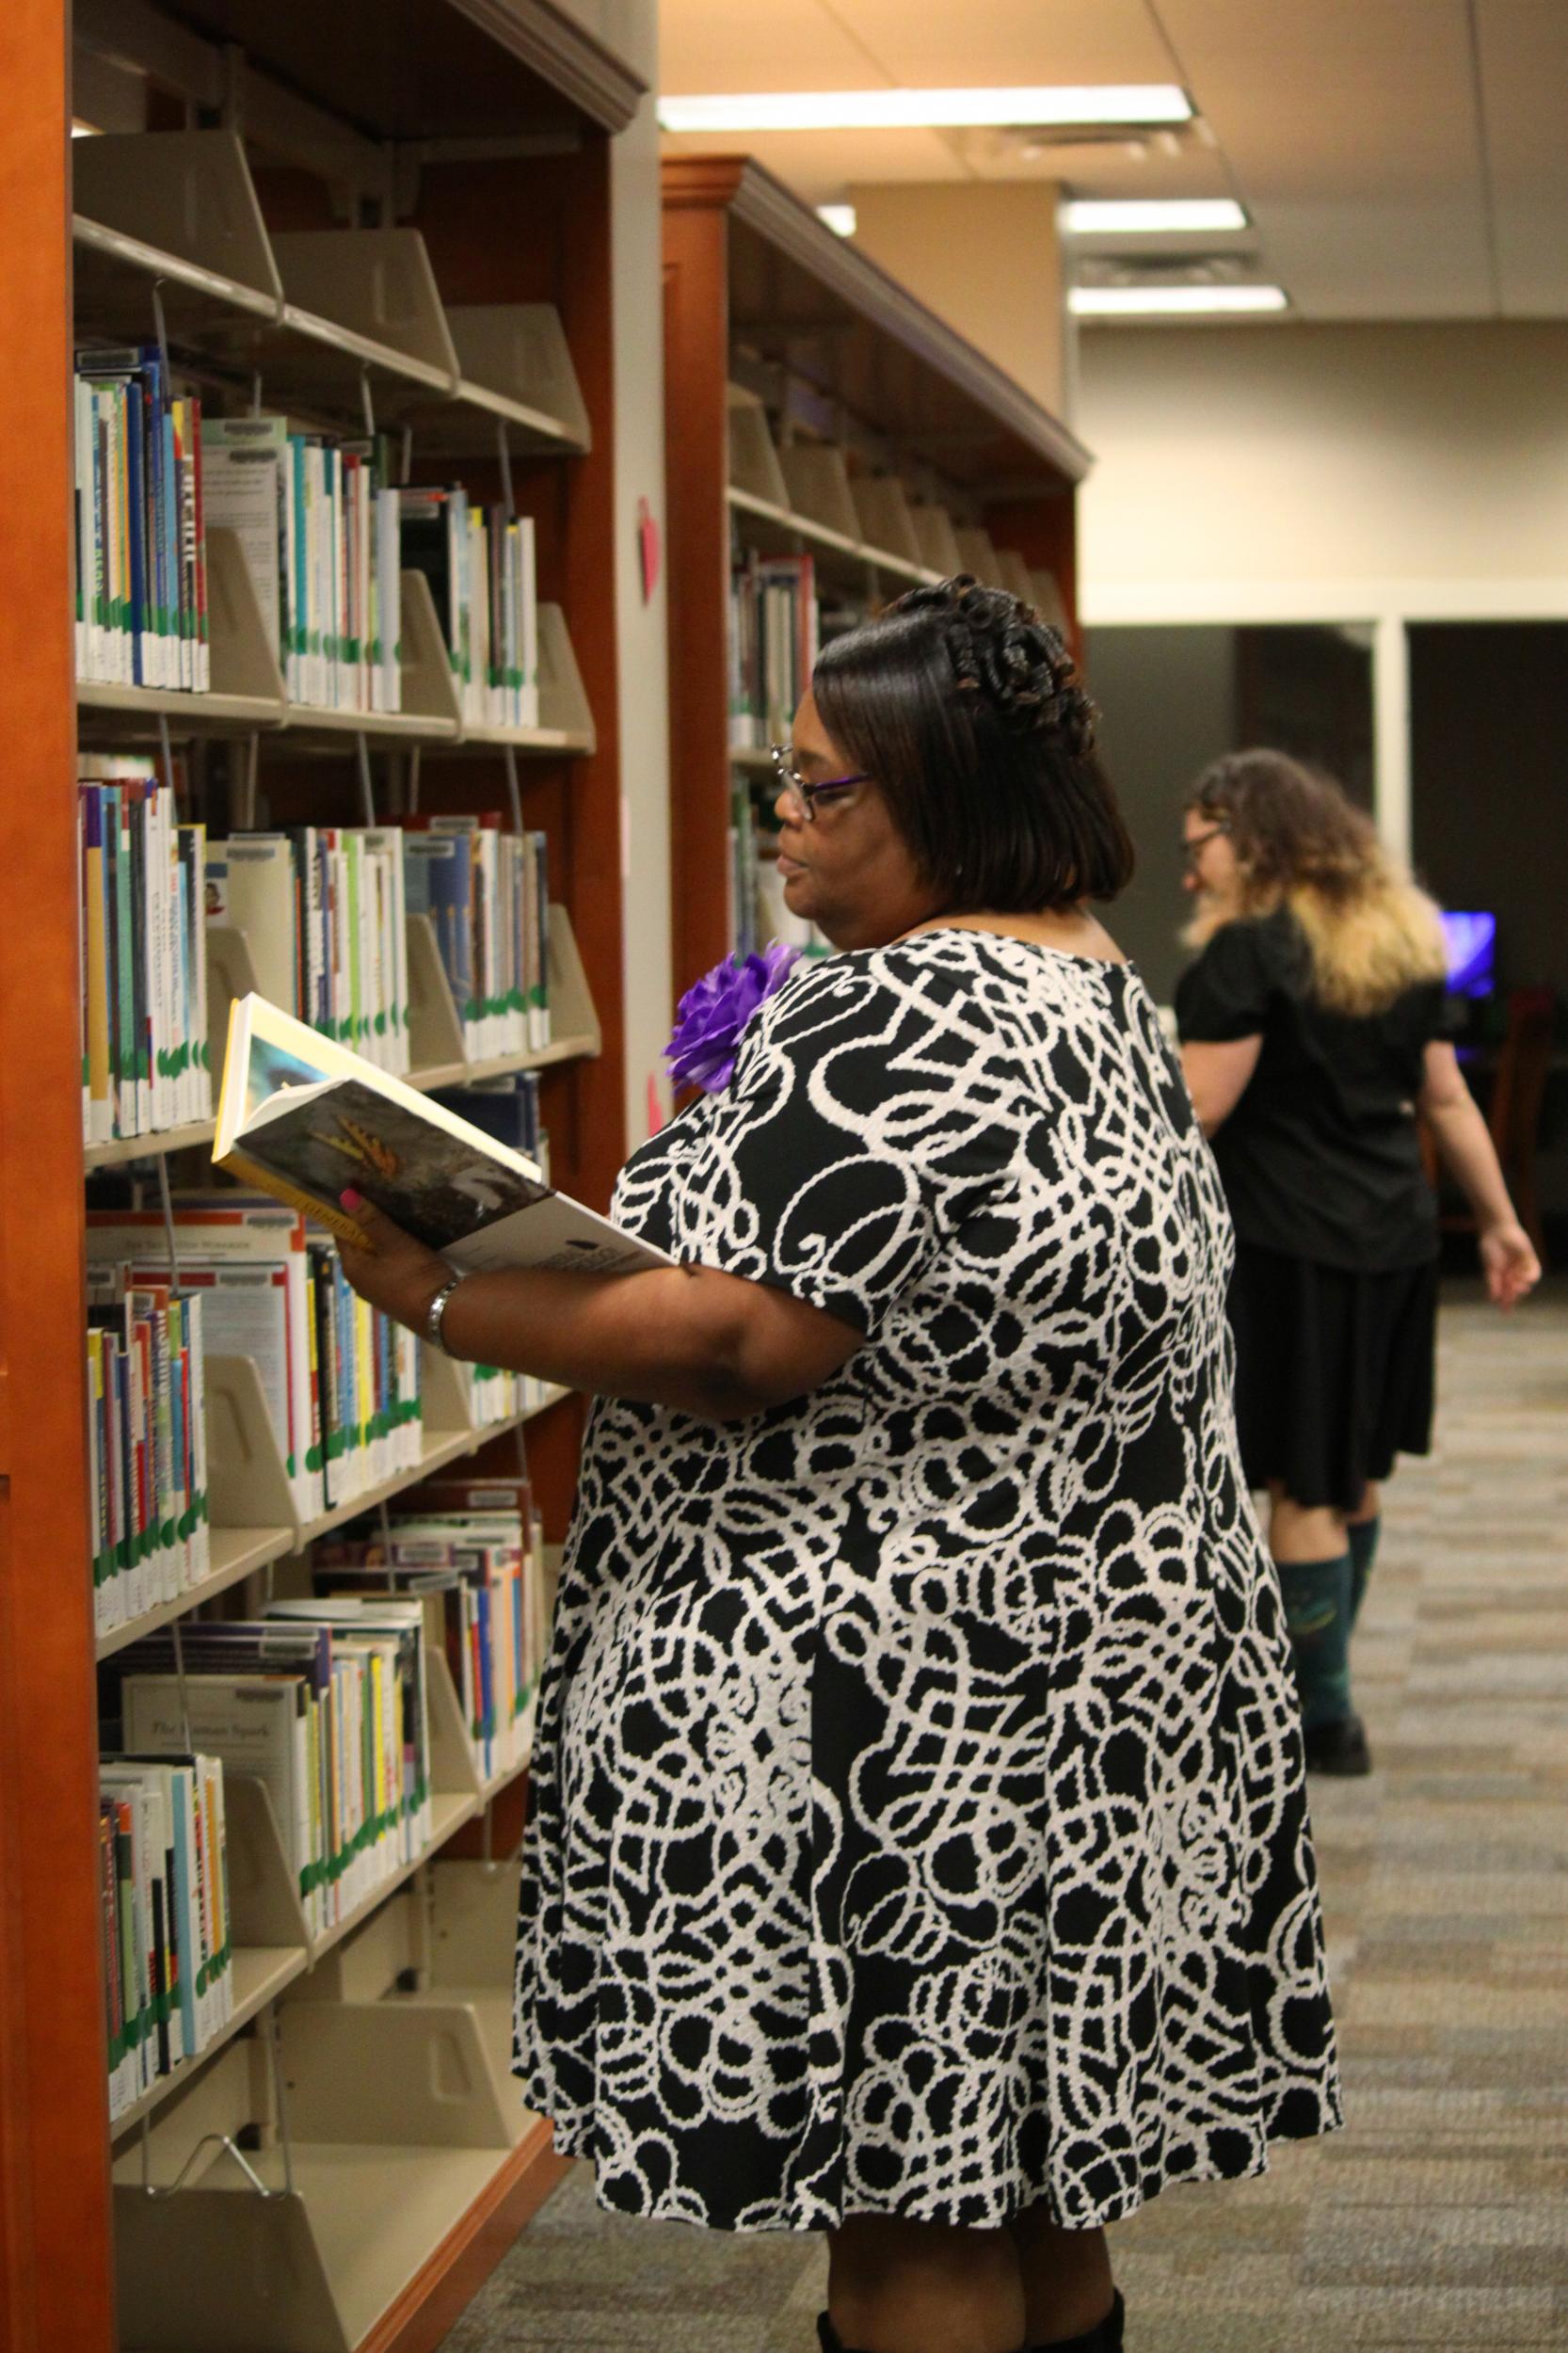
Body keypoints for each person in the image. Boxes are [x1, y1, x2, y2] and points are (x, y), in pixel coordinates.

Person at [337, 581, 1341, 2353]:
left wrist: (447, 1296)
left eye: (822, 792)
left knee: (906, 2229)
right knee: (1034, 2186)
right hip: (1094, 1682)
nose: (781, 824)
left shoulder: (899, 1010)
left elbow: (746, 1337)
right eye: (779, 786)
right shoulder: (1091, 978)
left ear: (945, 794)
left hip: (901, 1723)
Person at [1176, 750, 1541, 1778]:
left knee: (1302, 1479)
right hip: (1390, 1236)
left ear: (1250, 839)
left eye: (1198, 847)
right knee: (1352, 1470)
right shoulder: (1393, 945)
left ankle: (1319, 1717)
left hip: (1290, 1242)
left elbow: (1198, 1109)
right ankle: (1322, 1688)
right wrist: (1502, 1222)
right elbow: (1445, 1098)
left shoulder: (1245, 956)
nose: (1190, 872)